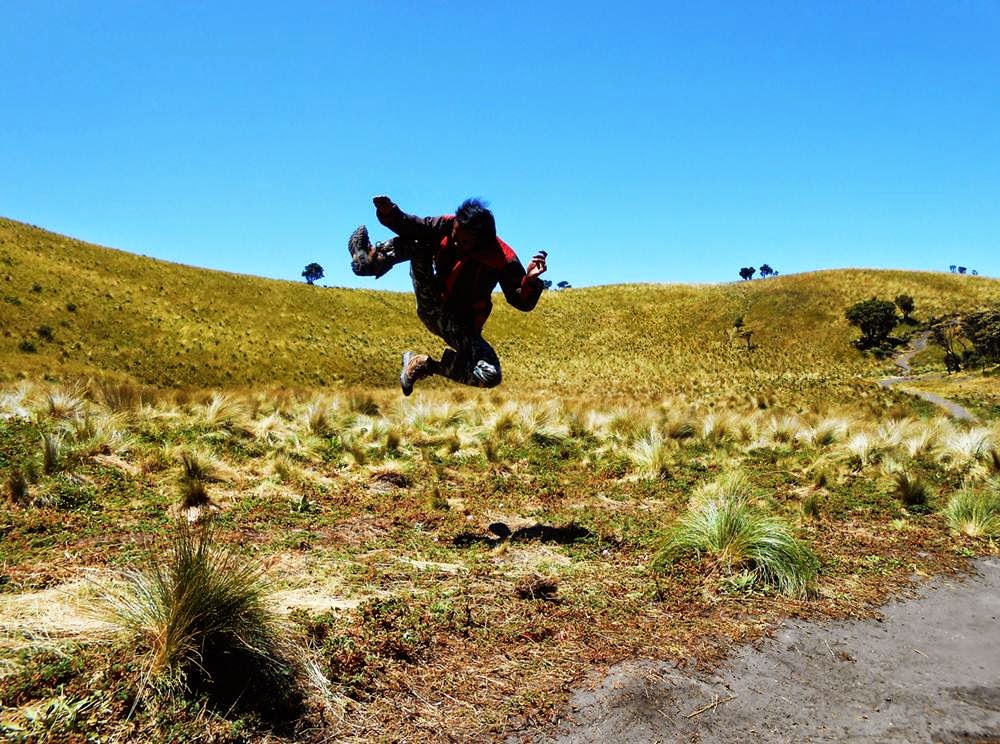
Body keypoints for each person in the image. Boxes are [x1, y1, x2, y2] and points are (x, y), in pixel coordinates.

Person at [348, 196, 548, 395]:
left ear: (481, 242)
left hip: (461, 327)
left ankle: (423, 365)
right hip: (433, 303)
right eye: (454, 236)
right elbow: (414, 226)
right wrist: (389, 212)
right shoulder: (447, 224)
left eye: (464, 242)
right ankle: (370, 259)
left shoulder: (502, 257)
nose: (456, 242)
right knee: (420, 242)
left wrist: (529, 281)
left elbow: (521, 301)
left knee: (491, 374)